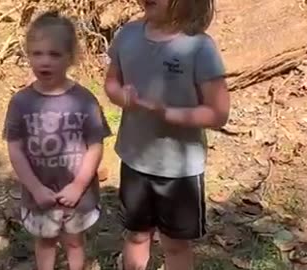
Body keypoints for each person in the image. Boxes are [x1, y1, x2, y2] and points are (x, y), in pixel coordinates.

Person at [104, 0, 230, 269]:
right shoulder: (127, 35)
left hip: (180, 170)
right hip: (134, 158)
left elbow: (218, 113)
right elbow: (111, 81)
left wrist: (167, 113)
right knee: (137, 235)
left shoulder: (199, 47)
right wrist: (119, 95)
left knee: (175, 244)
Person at [3, 11, 111, 270]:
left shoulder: (85, 100)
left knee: (74, 242)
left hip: (76, 194)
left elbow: (95, 146)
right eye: (37, 54)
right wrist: (35, 188)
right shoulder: (21, 103)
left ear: (70, 57)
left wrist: (78, 186)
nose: (45, 62)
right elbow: (15, 149)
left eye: (54, 54)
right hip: (39, 193)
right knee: (46, 242)